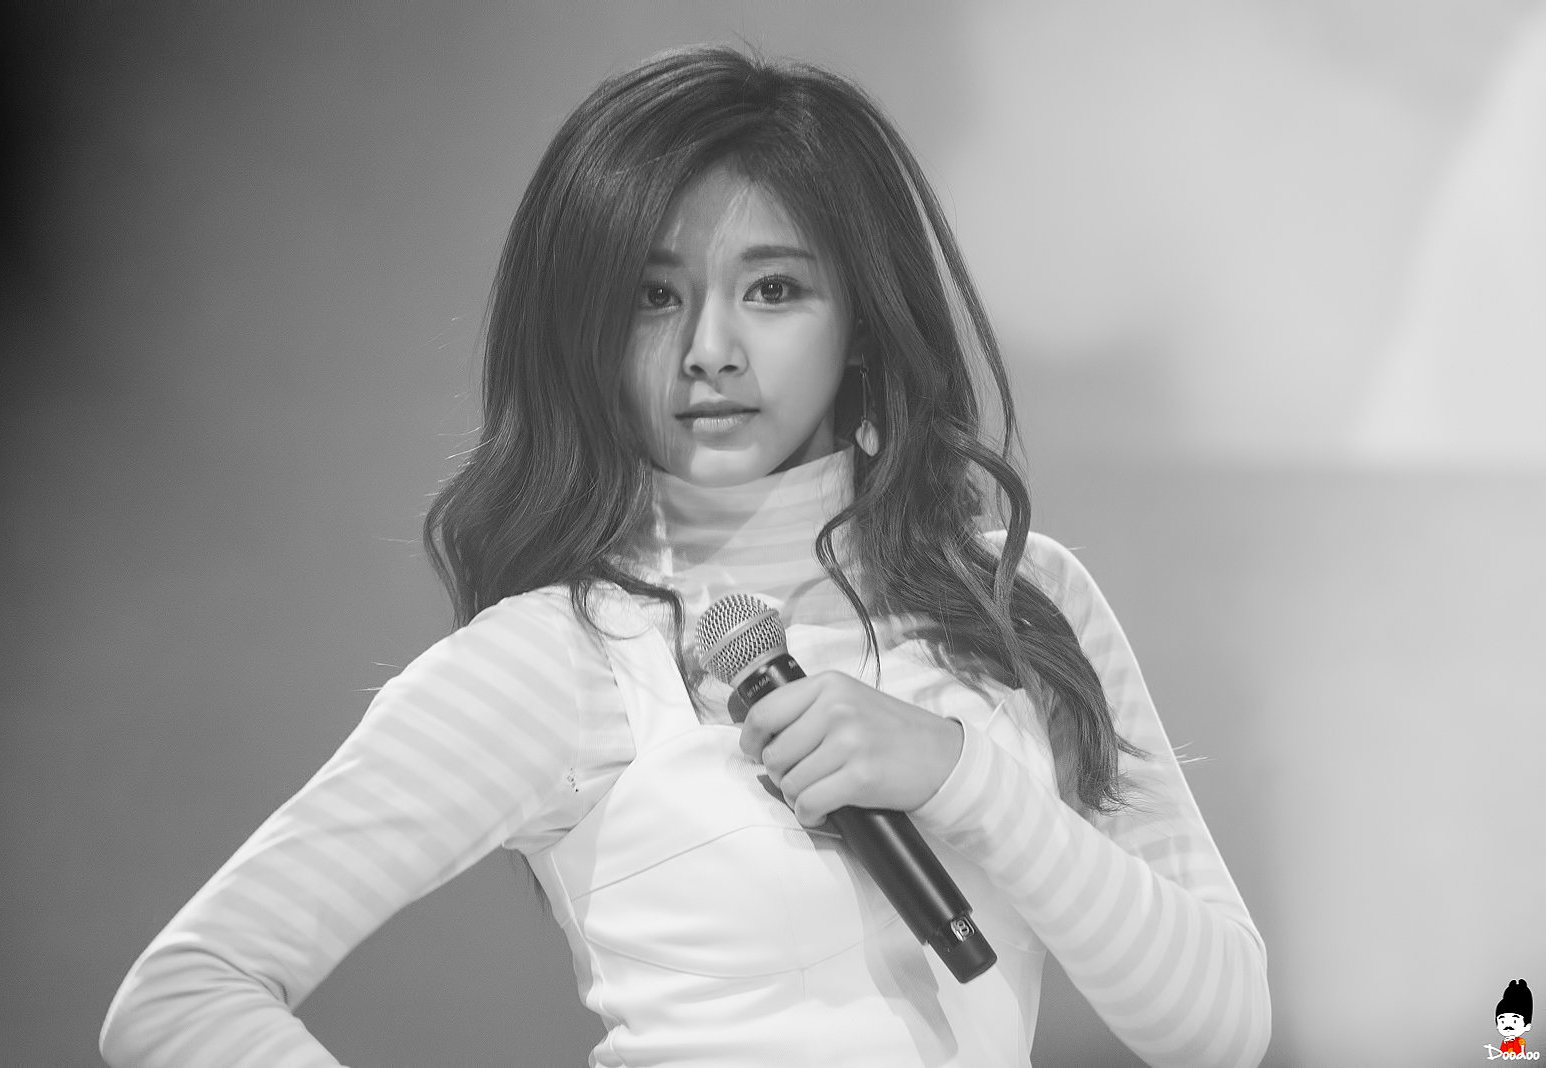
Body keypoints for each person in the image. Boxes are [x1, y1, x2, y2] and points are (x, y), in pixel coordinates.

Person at [99, 45, 1270, 1067]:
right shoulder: (560, 658)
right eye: (654, 297)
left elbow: (1217, 1030)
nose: (710, 348)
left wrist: (964, 779)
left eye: (773, 288)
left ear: (863, 323)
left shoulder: (1020, 598)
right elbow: (185, 995)